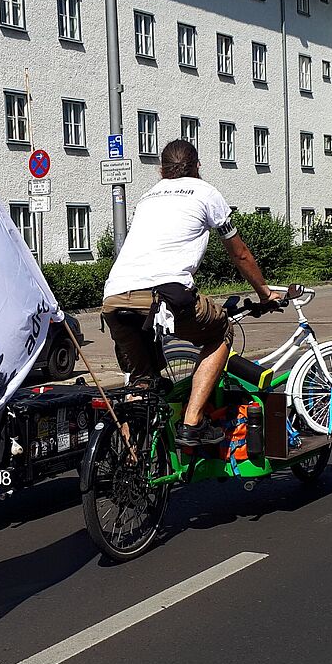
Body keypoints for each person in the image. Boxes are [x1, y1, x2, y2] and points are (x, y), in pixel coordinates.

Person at [101, 139, 282, 447]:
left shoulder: (147, 198)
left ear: (161, 171)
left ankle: (131, 454)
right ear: (197, 167)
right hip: (166, 296)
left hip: (114, 298)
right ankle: (192, 424)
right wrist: (264, 293)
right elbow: (240, 254)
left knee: (144, 381)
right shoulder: (206, 193)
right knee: (221, 331)